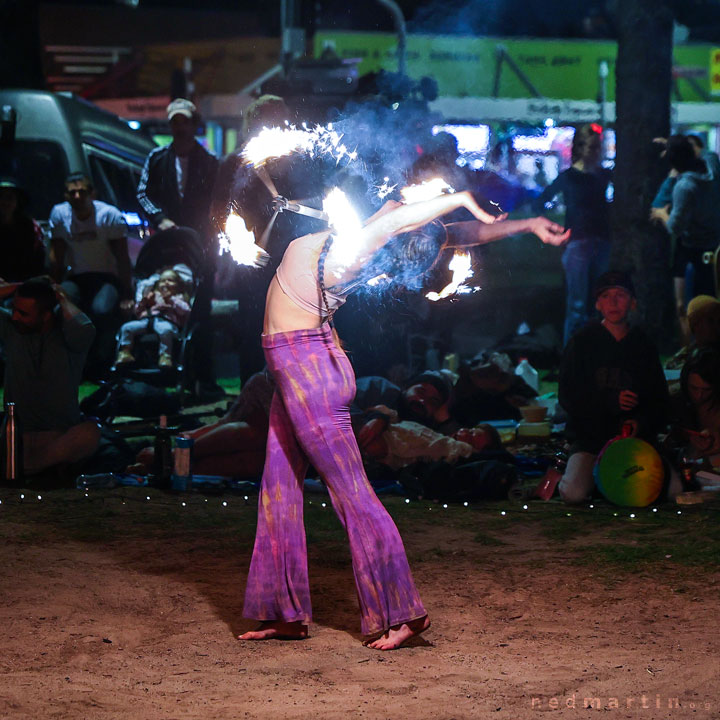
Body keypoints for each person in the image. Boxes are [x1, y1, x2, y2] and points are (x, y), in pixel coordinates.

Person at [238, 189, 569, 651]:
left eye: (402, 218)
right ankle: (283, 613)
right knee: (278, 488)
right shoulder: (371, 237)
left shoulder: (354, 251)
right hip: (295, 367)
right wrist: (525, 225)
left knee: (353, 495)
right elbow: (449, 232)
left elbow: (404, 222)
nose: (395, 207)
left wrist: (466, 196)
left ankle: (402, 612)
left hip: (309, 371)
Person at [557, 271, 679, 503]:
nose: (613, 302)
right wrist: (609, 403)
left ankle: (612, 481)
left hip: (634, 442)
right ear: (598, 303)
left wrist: (640, 421)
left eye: (620, 295)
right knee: (573, 493)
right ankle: (594, 478)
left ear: (632, 302)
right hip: (592, 440)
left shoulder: (642, 345)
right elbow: (568, 395)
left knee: (673, 490)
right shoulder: (582, 342)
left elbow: (659, 400)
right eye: (606, 296)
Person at [137, 98, 220, 396]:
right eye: (175, 121)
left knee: (201, 312)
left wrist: (207, 231)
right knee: (166, 307)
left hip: (200, 248)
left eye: (184, 121)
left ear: (193, 123)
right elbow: (143, 193)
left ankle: (204, 379)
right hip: (167, 248)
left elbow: (218, 202)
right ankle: (167, 374)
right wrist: (160, 219)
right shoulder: (157, 158)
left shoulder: (209, 162)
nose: (180, 127)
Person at [0, 278, 100, 478]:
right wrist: (22, 285)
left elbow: (85, 327)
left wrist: (61, 297)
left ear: (46, 315)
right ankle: (35, 468)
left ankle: (24, 467)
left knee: (90, 433)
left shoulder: (70, 337)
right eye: (14, 310)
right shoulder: (12, 330)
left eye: (24, 313)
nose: (15, 316)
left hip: (58, 437)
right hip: (16, 436)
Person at [48, 172, 133, 374]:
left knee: (101, 310)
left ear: (91, 194)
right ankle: (70, 360)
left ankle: (100, 361)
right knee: (63, 306)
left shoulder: (109, 215)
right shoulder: (60, 215)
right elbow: (57, 256)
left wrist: (126, 292)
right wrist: (53, 287)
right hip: (77, 277)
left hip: (106, 277)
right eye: (72, 193)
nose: (77, 197)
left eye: (82, 192)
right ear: (66, 196)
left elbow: (122, 257)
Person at [535, 123, 612, 344]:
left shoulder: (601, 174)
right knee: (578, 303)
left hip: (598, 240)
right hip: (578, 241)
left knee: (597, 300)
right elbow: (542, 200)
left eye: (597, 148)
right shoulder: (570, 177)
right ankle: (573, 352)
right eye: (592, 148)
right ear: (581, 148)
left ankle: (591, 348)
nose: (596, 153)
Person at [649, 135, 720, 338]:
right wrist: (674, 145)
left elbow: (675, 227)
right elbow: (706, 153)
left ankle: (698, 349)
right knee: (712, 303)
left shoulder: (685, 187)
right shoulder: (712, 167)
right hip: (715, 245)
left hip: (694, 251)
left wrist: (661, 214)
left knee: (694, 307)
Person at [116, 268, 191, 368]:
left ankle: (165, 356)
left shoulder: (179, 297)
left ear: (178, 285)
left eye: (170, 280)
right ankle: (125, 352)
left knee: (165, 330)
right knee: (126, 327)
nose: (166, 283)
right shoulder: (154, 296)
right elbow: (137, 312)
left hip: (167, 323)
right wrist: (143, 303)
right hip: (147, 320)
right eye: (162, 281)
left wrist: (171, 299)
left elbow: (185, 311)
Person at [0, 177, 46, 282]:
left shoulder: (31, 227)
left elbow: (37, 261)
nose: (4, 202)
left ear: (17, 202)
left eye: (9, 198)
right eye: (1, 197)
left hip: (25, 284)